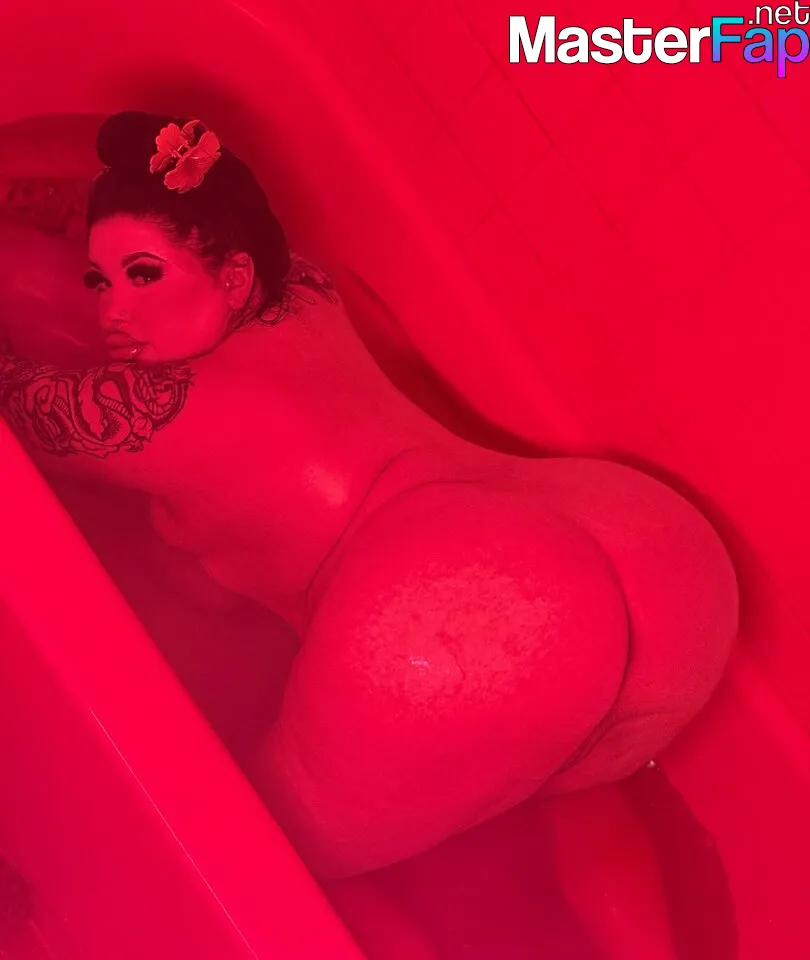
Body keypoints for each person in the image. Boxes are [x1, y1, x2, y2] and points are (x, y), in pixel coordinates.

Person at [0, 111, 738, 921]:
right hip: (648, 550)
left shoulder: (144, 415)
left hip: (459, 620)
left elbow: (18, 406)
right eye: (101, 281)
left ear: (233, 277)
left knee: (263, 865)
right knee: (556, 773)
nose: (113, 312)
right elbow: (157, 184)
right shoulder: (300, 285)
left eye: (141, 277)